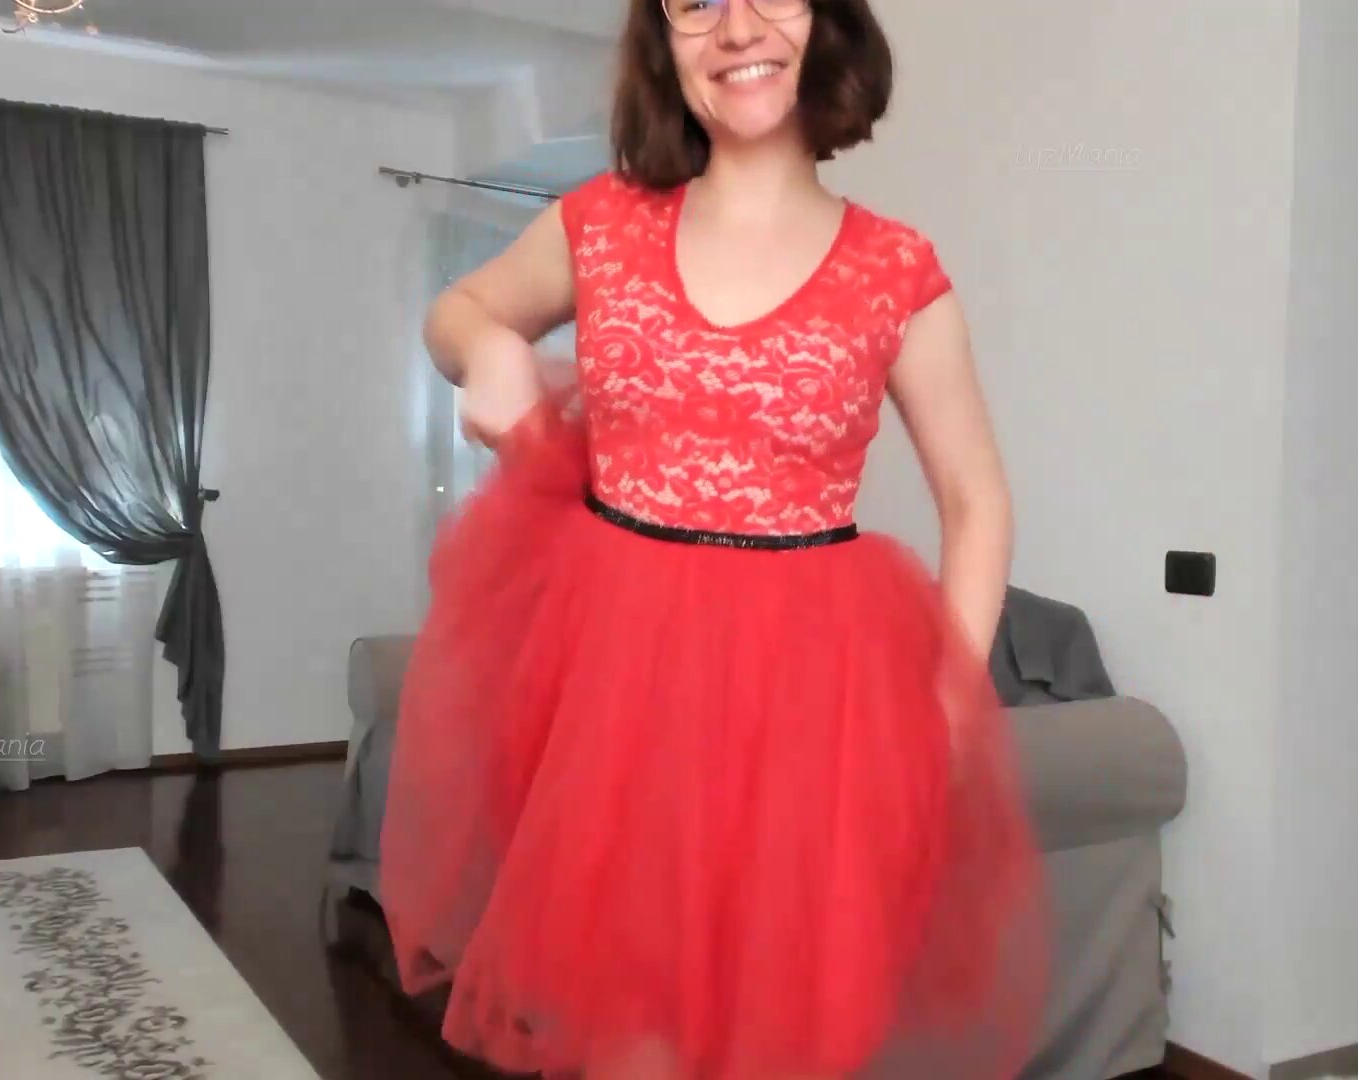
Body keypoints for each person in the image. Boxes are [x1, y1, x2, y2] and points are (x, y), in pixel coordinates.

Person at [379, 1, 1051, 1077]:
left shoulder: (895, 268)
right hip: (618, 699)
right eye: (696, 1)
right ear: (666, 40)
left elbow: (978, 501)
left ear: (827, 23)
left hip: (811, 710)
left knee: (774, 1031)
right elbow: (455, 312)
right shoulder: (600, 223)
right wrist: (488, 350)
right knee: (630, 1031)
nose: (736, 27)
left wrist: (945, 710)